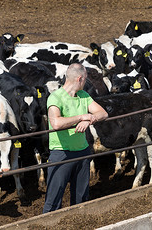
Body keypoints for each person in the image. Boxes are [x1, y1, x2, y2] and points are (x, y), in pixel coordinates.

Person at [43, 63, 108, 213]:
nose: (86, 82)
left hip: (83, 152)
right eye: (85, 79)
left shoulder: (83, 95)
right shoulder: (55, 97)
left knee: (81, 198)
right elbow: (56, 123)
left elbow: (103, 113)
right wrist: (81, 117)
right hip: (61, 153)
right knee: (53, 199)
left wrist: (89, 119)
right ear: (80, 78)